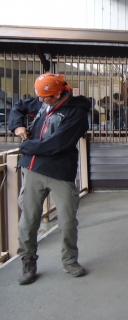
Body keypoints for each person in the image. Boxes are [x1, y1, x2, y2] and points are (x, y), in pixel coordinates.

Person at [9, 73, 91, 284]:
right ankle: (28, 261)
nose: (40, 101)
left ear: (57, 95)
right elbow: (18, 106)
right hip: (34, 170)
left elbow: (57, 145)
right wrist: (17, 125)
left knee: (67, 221)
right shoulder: (41, 102)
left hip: (60, 173)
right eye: (39, 97)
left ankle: (70, 260)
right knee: (28, 221)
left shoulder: (76, 113)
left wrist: (25, 146)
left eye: (45, 98)